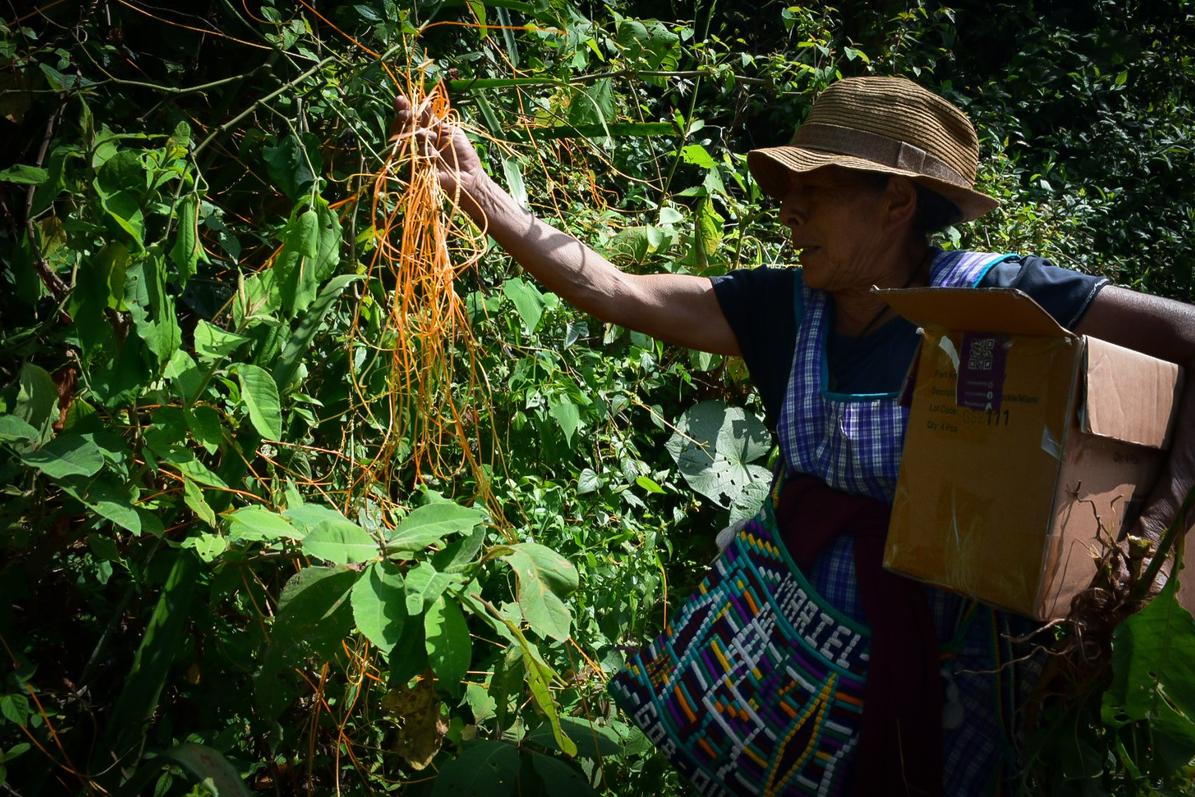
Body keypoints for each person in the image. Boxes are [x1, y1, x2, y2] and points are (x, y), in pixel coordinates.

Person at [393, 76, 1195, 794]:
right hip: (796, 667)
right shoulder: (784, 311)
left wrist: (1157, 521)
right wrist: (478, 194)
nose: (789, 209)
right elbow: (615, 288)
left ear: (896, 202)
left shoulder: (998, 297)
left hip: (957, 680)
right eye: (786, 187)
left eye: (818, 188)